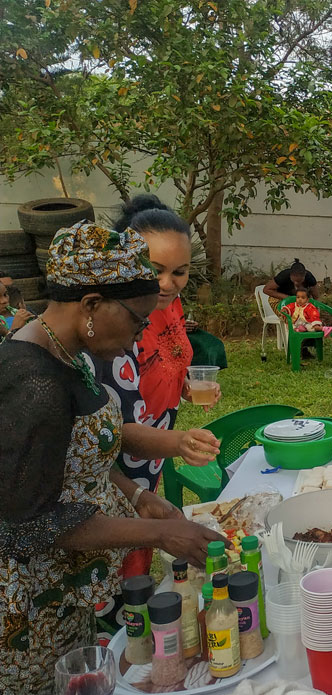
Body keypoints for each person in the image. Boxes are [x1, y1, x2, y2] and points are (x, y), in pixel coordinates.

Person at [0, 221, 225, 695]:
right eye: (137, 318)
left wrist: (138, 495)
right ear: (93, 304)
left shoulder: (66, 351)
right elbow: (28, 526)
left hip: (66, 593)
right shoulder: (31, 382)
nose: (143, 334)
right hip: (27, 612)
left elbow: (90, 444)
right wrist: (159, 536)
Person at [90, 195, 223, 493]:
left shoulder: (169, 305)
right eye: (155, 269)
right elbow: (118, 428)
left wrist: (187, 388)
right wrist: (179, 442)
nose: (167, 283)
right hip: (118, 461)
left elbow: (165, 361)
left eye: (179, 272)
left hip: (155, 443)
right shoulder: (117, 326)